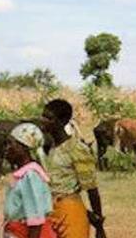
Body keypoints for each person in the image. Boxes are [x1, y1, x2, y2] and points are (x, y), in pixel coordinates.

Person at [39, 100, 104, 238]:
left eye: (49, 118)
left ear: (62, 121)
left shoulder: (77, 149)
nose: (43, 121)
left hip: (70, 210)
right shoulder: (49, 148)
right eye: (43, 116)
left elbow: (92, 189)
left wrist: (99, 226)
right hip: (49, 210)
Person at [2, 124, 53, 238]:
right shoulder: (23, 174)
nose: (7, 148)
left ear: (24, 147)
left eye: (11, 144)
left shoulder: (30, 176)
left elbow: (35, 219)